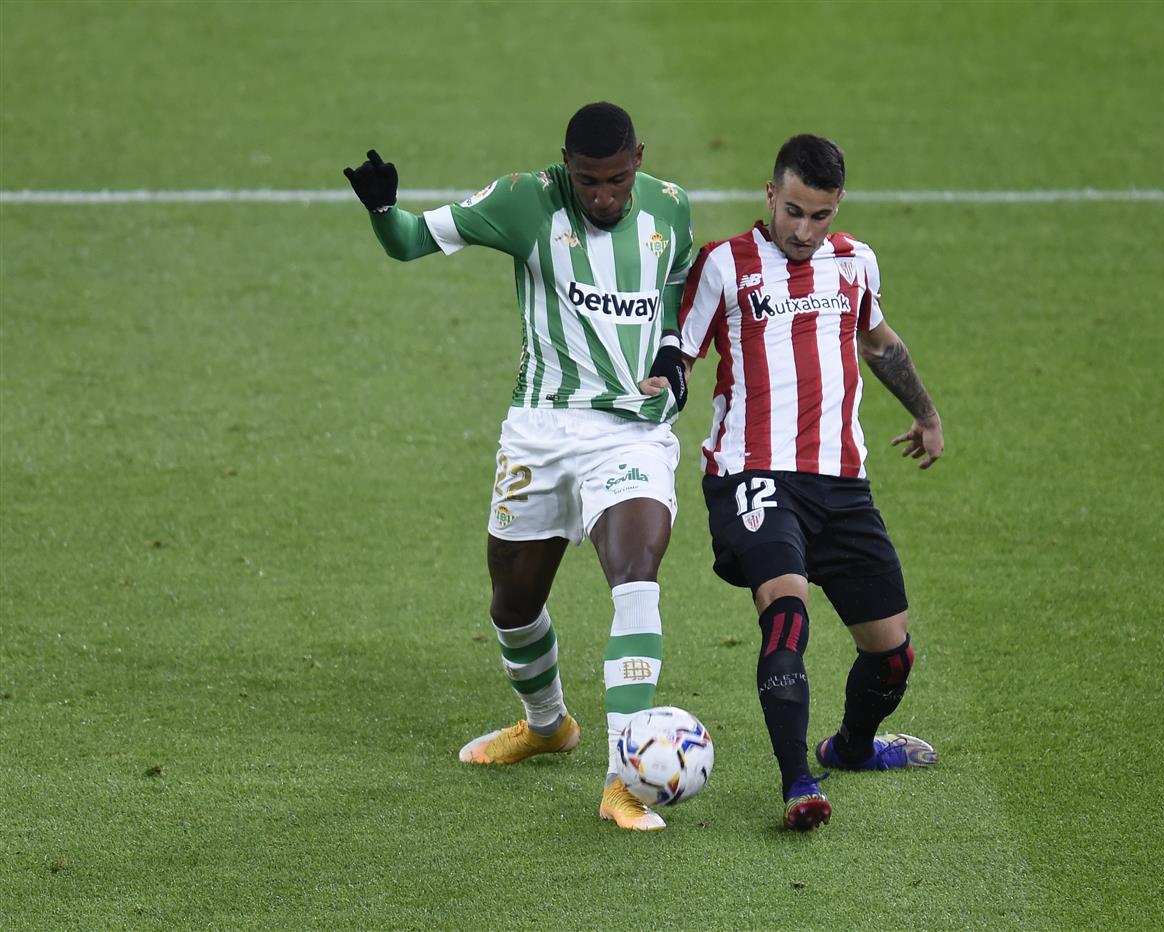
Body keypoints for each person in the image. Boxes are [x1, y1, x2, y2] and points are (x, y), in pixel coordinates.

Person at [342, 102, 693, 832]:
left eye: (618, 181)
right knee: (513, 602)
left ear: (639, 163)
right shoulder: (522, 202)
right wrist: (383, 209)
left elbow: (673, 291)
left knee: (635, 576)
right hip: (539, 431)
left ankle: (623, 781)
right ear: (567, 165)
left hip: (631, 433)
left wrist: (670, 357)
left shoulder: (670, 207)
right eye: (590, 181)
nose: (604, 197)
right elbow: (410, 243)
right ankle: (545, 726)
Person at [676, 134, 943, 830]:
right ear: (770, 195)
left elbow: (878, 341)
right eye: (792, 210)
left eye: (818, 215)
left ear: (837, 207)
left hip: (842, 483)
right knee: (787, 616)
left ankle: (850, 748)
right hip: (754, 475)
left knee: (892, 655)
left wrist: (926, 413)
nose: (803, 229)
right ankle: (798, 783)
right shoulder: (724, 265)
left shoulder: (855, 262)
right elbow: (678, 350)